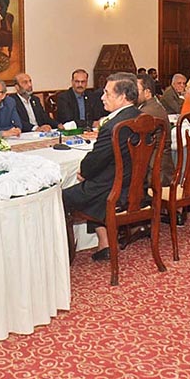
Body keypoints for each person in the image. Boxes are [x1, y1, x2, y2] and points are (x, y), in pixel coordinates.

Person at [62, 72, 141, 262]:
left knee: (61, 197)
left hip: (112, 191)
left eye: (107, 93)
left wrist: (84, 172)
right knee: (89, 186)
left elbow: (94, 161)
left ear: (122, 97)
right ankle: (104, 242)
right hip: (135, 186)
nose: (102, 97)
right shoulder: (141, 117)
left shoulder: (113, 126)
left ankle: (64, 255)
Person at [136, 73, 173, 186]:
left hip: (155, 173)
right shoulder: (153, 106)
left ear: (147, 92)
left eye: (135, 90)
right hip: (161, 166)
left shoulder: (147, 112)